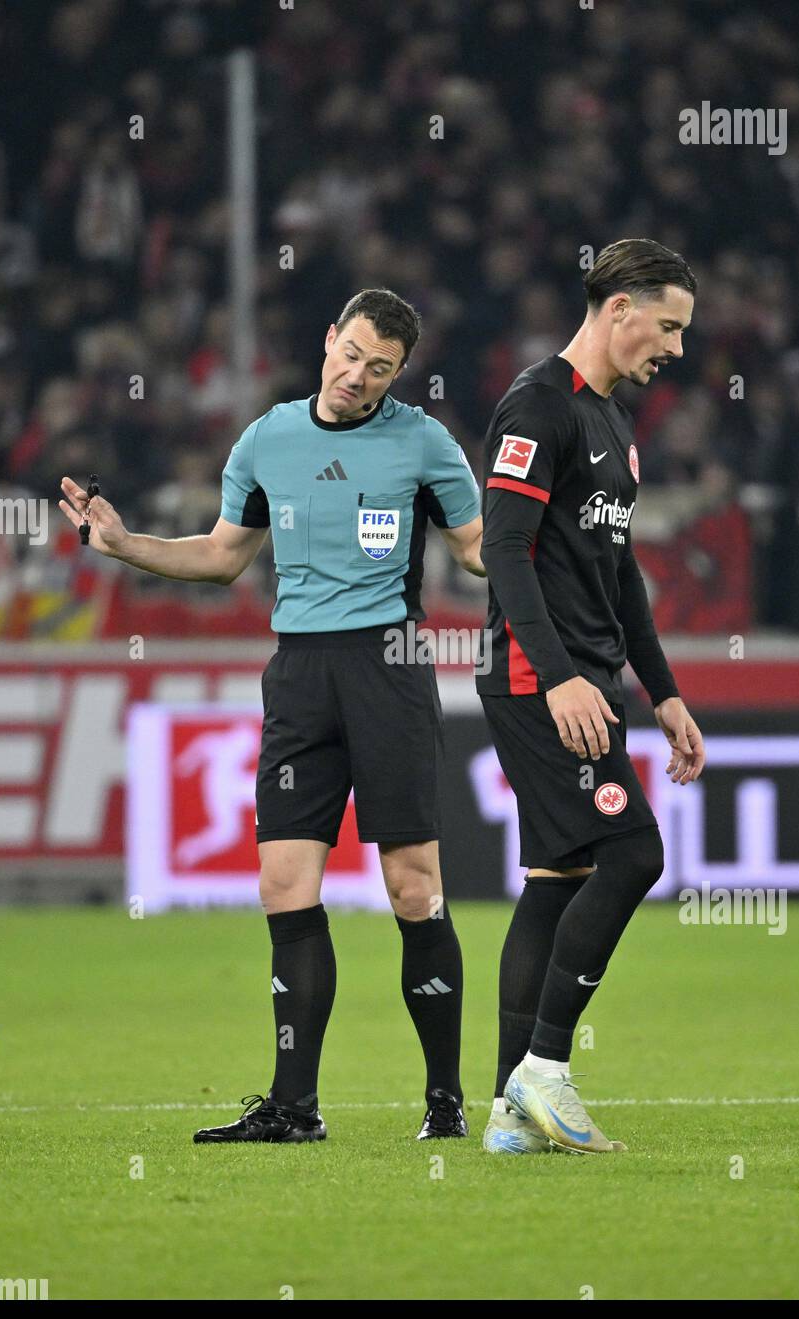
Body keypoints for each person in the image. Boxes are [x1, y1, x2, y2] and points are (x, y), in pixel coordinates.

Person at [59, 287, 483, 1145]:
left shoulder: (424, 444)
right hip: (298, 675)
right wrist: (126, 543)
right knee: (284, 885)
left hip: (388, 668)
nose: (357, 377)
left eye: (380, 368)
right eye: (351, 353)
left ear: (400, 376)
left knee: (412, 890)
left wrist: (546, 540)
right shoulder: (268, 438)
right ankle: (294, 1109)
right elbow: (222, 556)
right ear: (329, 339)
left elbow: (479, 551)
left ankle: (445, 1102)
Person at [476, 240, 706, 1155]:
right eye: (670, 327)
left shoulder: (612, 427)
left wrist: (664, 691)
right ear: (619, 310)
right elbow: (503, 550)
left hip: (584, 676)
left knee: (558, 875)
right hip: (543, 680)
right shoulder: (538, 405)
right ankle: (544, 1071)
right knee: (634, 852)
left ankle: (506, 1114)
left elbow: (621, 576)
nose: (677, 350)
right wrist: (563, 675)